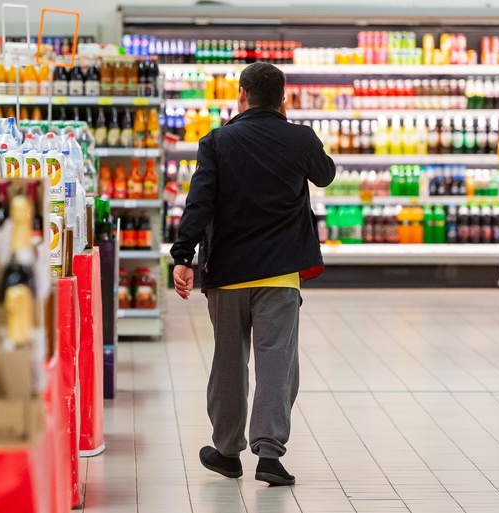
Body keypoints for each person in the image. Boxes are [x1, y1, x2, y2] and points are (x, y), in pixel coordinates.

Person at [170, 62, 335, 486]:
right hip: (280, 274)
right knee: (276, 362)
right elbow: (326, 174)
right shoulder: (299, 137)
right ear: (284, 100)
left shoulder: (217, 142)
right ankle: (269, 455)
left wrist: (182, 256)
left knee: (228, 363)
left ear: (241, 96)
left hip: (226, 274)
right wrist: (297, 139)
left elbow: (199, 202)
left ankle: (227, 452)